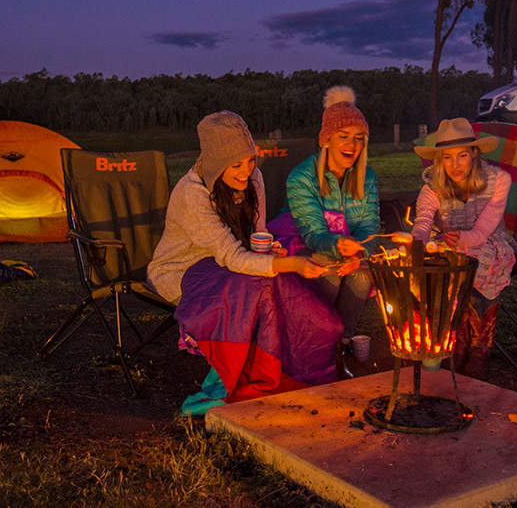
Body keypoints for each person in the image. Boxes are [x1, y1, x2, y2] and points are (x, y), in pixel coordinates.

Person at [147, 111, 340, 413]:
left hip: (230, 268)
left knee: (282, 287)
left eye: (250, 160)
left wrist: (273, 251)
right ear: (214, 163)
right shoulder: (192, 193)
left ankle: (287, 364)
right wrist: (293, 264)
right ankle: (224, 378)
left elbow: (257, 235)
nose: (246, 171)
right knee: (254, 286)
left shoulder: (254, 179)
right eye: (235, 165)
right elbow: (232, 256)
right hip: (183, 273)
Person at [269, 86, 380, 358]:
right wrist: (338, 248)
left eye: (358, 138)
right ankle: (313, 338)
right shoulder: (302, 178)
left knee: (362, 275)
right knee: (328, 272)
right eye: (343, 136)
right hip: (302, 243)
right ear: (327, 139)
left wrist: (360, 251)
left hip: (348, 248)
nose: (351, 145)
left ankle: (342, 340)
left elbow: (369, 226)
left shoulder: (366, 177)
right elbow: (312, 232)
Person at [410, 117, 516, 377]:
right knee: (434, 264)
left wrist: (466, 240)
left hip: (487, 241)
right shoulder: (433, 186)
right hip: (449, 243)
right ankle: (455, 341)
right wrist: (417, 240)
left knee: (478, 259)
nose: (455, 165)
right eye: (447, 157)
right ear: (439, 160)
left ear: (474, 153)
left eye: (462, 156)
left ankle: (480, 347)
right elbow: (423, 219)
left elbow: (484, 228)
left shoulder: (498, 180)